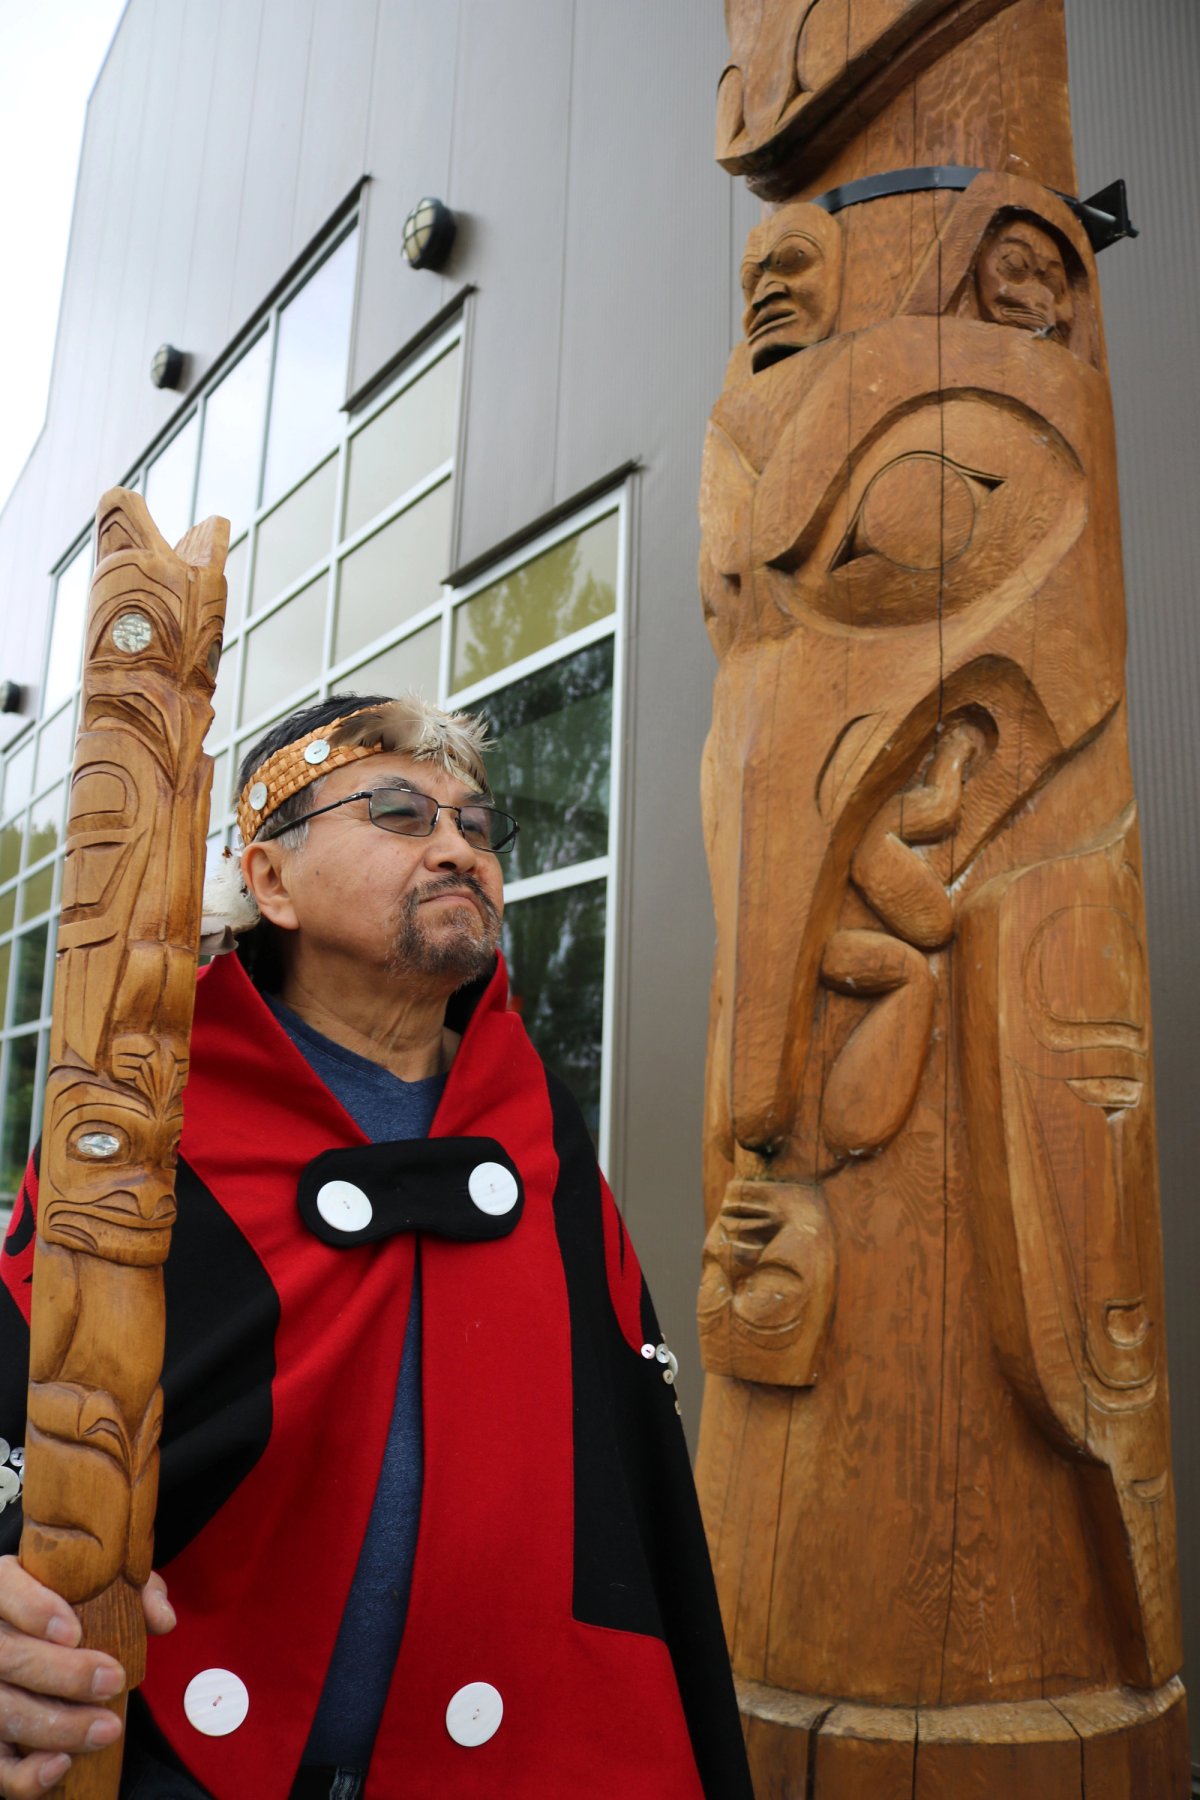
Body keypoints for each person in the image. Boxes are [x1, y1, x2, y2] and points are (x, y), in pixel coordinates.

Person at [0, 693, 753, 1800]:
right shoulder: (141, 1116)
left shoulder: (535, 1118)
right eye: (399, 812)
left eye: (475, 823)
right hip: (179, 1765)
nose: (458, 846)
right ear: (268, 880)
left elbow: (622, 1456)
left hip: (535, 1763)